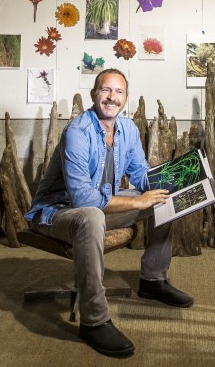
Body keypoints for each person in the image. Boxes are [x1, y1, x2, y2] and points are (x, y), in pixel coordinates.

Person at [25, 68, 193, 358]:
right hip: (58, 213)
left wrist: (173, 181)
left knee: (162, 199)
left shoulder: (126, 129)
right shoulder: (78, 132)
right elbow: (83, 198)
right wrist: (136, 203)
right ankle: (94, 320)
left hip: (98, 207)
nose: (112, 97)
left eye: (119, 92)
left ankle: (153, 281)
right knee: (91, 216)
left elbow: (140, 173)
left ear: (126, 98)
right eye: (106, 90)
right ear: (94, 94)